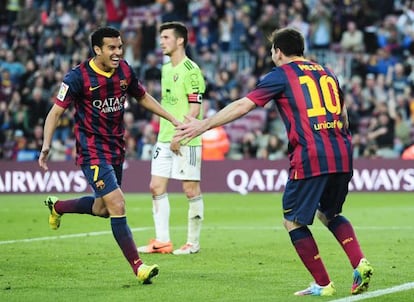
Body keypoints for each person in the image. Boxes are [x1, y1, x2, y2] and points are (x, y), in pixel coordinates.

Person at [174, 28, 373, 296]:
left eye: (272, 51)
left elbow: (244, 106)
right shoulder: (327, 72)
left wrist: (205, 124)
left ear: (278, 52)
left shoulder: (280, 75)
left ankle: (323, 285)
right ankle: (359, 262)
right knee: (329, 213)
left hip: (311, 154)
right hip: (342, 150)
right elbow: (344, 115)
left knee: (292, 220)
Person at [38, 26, 180, 285]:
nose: (118, 53)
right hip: (91, 150)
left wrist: (171, 118)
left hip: (116, 148)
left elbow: (143, 97)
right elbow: (55, 112)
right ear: (97, 50)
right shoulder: (77, 78)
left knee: (103, 209)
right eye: (112, 48)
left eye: (120, 47)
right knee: (118, 204)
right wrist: (46, 144)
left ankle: (57, 206)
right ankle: (138, 267)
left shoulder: (125, 70)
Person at [137, 21, 206, 255]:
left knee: (190, 190)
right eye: (161, 37)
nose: (161, 41)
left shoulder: (191, 70)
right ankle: (162, 241)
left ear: (180, 41)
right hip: (164, 137)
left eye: (166, 37)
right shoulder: (166, 69)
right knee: (155, 187)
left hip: (187, 138)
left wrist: (180, 135)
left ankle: (193, 244)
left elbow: (195, 108)